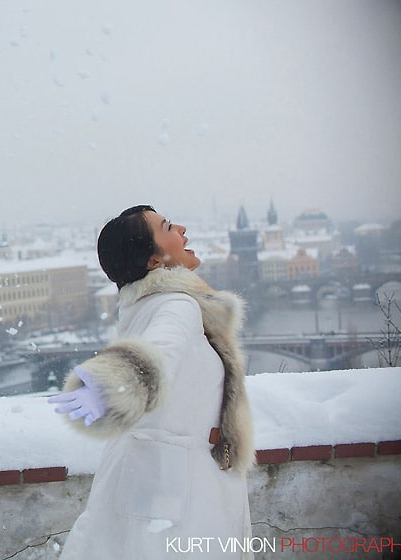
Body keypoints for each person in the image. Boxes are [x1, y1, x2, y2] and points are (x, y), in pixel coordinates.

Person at [49, 205, 254, 559]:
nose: (184, 229)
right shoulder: (177, 305)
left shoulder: (151, 303)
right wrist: (117, 385)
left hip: (154, 481)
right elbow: (162, 349)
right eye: (169, 227)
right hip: (174, 493)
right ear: (154, 262)